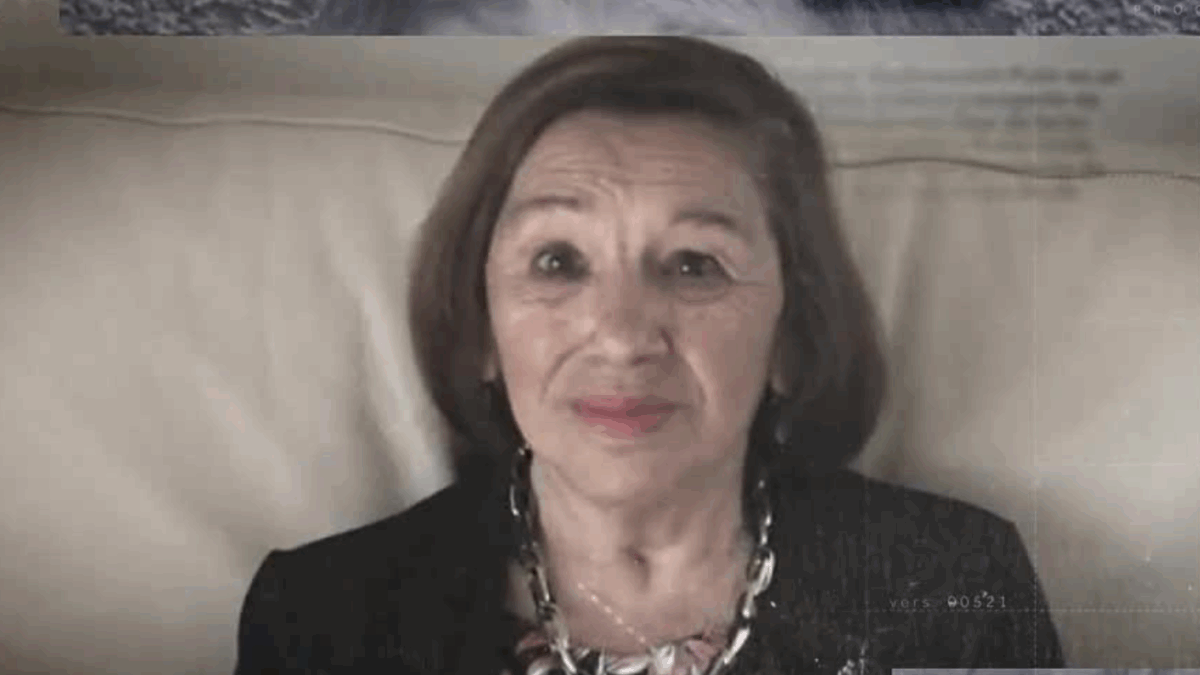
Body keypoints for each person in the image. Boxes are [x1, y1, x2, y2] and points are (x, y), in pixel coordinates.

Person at [233, 36, 1064, 675]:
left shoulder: (953, 585)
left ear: (792, 334)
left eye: (695, 265)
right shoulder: (320, 618)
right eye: (558, 261)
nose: (624, 335)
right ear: (482, 328)